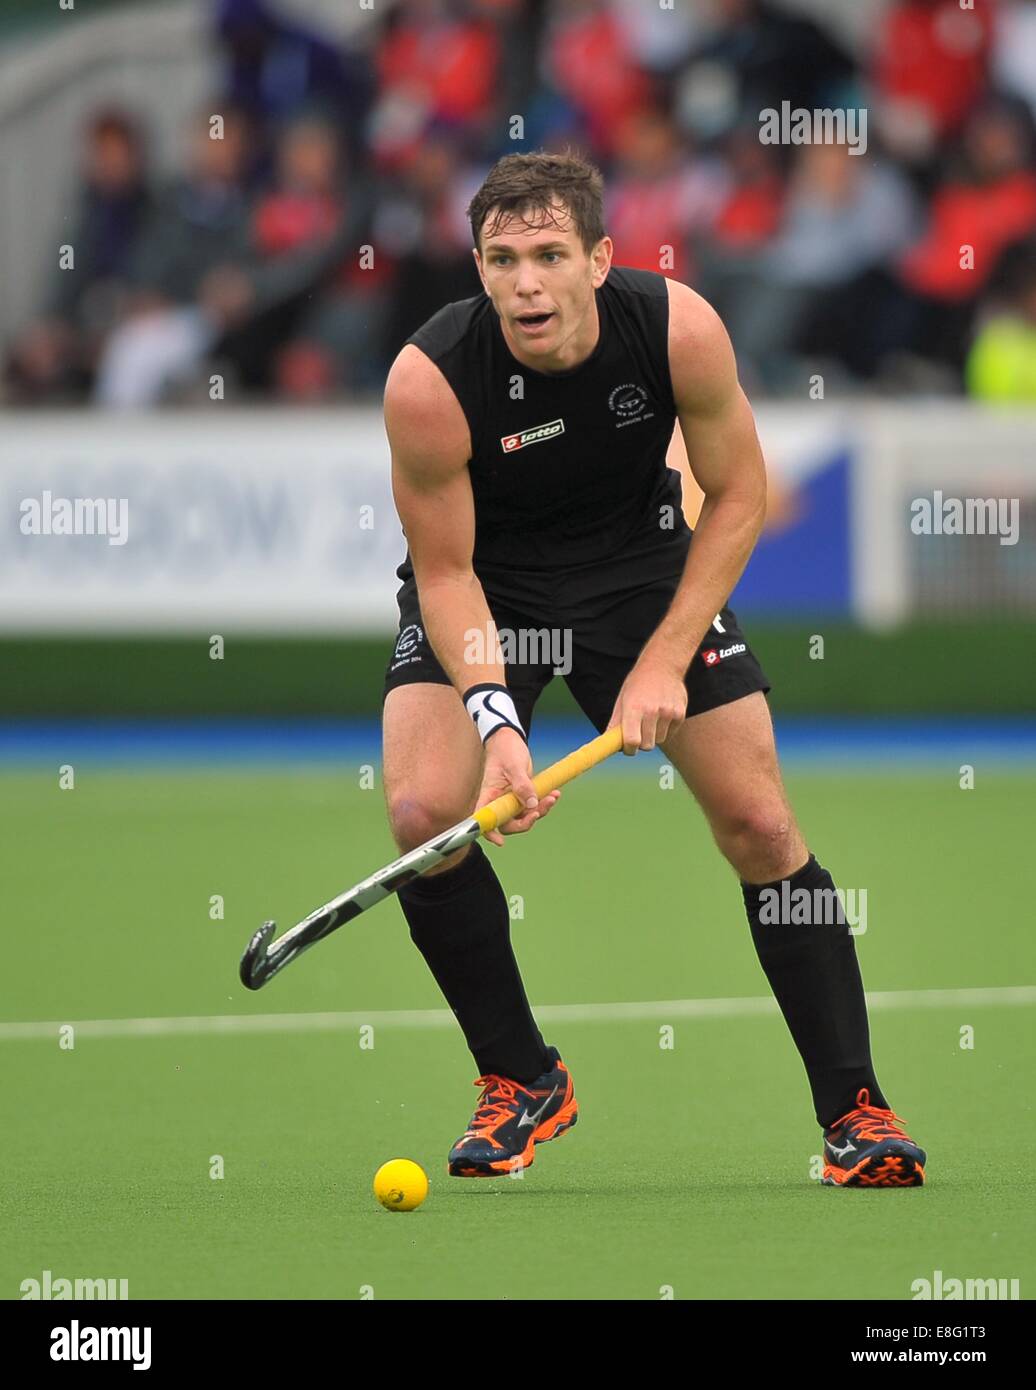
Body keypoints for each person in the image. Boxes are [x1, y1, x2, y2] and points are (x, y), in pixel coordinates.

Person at [380, 150, 927, 1187]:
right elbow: (447, 576)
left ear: (599, 258)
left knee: (762, 827)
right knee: (422, 818)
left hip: (643, 580)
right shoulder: (429, 380)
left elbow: (738, 497)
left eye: (549, 255)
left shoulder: (676, 328)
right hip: (492, 589)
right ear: (478, 265)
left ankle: (856, 1108)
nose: (526, 282)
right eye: (502, 259)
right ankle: (521, 1078)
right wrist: (501, 729)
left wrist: (664, 661)